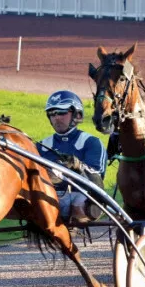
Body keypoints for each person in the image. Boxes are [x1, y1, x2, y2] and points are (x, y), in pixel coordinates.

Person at [38, 90, 107, 225]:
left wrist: (77, 165)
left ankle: (71, 225)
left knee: (77, 201)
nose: (56, 118)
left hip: (83, 197)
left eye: (62, 113)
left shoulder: (91, 142)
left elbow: (96, 178)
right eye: (52, 114)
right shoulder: (41, 145)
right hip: (50, 195)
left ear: (78, 115)